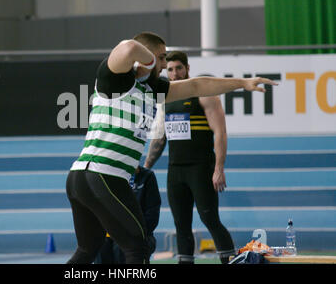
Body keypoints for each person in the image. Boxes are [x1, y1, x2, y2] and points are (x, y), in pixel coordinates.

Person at [65, 32, 277, 264]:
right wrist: (150, 61)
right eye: (162, 58)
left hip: (83, 178)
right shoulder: (116, 79)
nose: (165, 65)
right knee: (139, 246)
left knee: (88, 249)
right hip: (104, 175)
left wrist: (242, 83)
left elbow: (198, 85)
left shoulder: (154, 89)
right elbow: (127, 47)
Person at [144, 50, 235, 264]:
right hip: (175, 171)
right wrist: (146, 166)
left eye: (179, 68)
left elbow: (220, 131)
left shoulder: (204, 93)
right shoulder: (166, 97)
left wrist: (219, 168)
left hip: (201, 167)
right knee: (181, 225)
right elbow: (160, 137)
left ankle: (231, 261)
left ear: (187, 69)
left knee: (210, 219)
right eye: (170, 70)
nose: (174, 74)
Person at [94, 165, 161, 264]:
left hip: (137, 234)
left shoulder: (147, 176)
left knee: (123, 248)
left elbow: (152, 215)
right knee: (100, 246)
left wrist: (136, 233)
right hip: (110, 234)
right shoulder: (107, 176)